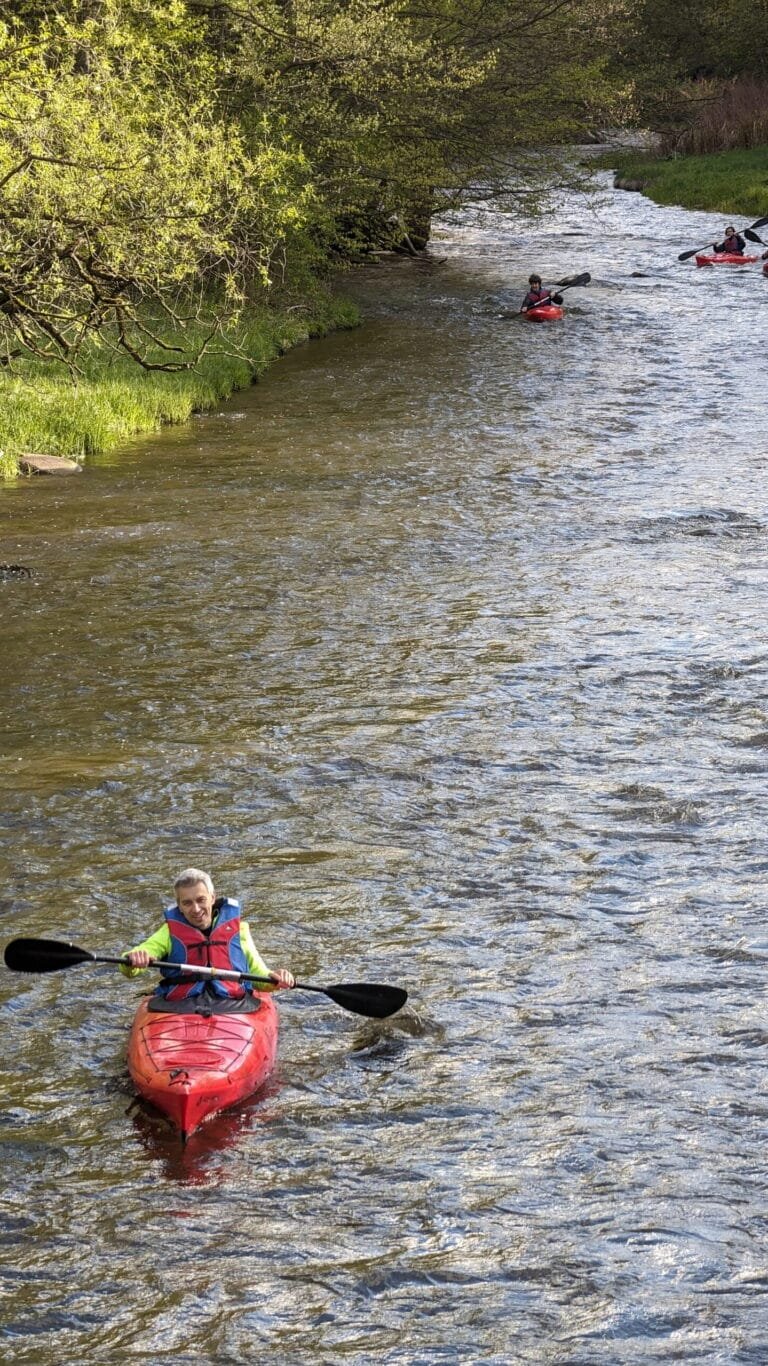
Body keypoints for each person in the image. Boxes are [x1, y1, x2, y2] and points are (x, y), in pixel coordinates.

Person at [121, 867, 295, 1002]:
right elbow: (130, 968)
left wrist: (274, 979)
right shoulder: (168, 932)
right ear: (179, 906)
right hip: (180, 1005)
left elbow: (258, 975)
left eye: (200, 900)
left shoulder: (239, 930)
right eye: (187, 903)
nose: (196, 909)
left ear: (212, 898)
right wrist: (134, 960)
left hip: (232, 1004)